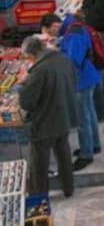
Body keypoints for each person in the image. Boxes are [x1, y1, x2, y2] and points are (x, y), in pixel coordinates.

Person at [19, 36, 79, 197]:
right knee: (63, 153)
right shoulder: (63, 59)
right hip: (64, 115)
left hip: (44, 122)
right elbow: (74, 81)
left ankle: (39, 198)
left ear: (31, 55)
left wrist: (23, 83)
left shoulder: (39, 71)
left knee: (39, 164)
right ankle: (68, 188)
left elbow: (27, 103)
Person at [53, 14, 103, 171]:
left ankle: (86, 154)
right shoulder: (73, 27)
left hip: (82, 80)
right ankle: (94, 144)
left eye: (50, 32)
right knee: (90, 112)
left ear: (54, 25)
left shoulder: (74, 32)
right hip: (88, 76)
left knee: (82, 118)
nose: (53, 35)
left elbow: (73, 59)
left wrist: (57, 54)